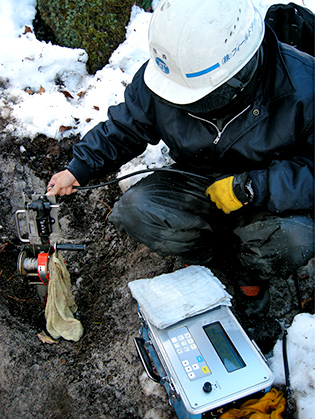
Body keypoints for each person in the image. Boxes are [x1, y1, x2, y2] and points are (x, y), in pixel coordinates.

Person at [47, 0, 314, 316]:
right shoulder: (173, 73)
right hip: (197, 178)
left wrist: (253, 187)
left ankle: (249, 281)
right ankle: (210, 261)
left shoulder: (303, 86)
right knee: (138, 210)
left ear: (239, 74)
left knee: (295, 237)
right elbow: (126, 125)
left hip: (264, 195)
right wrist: (79, 168)